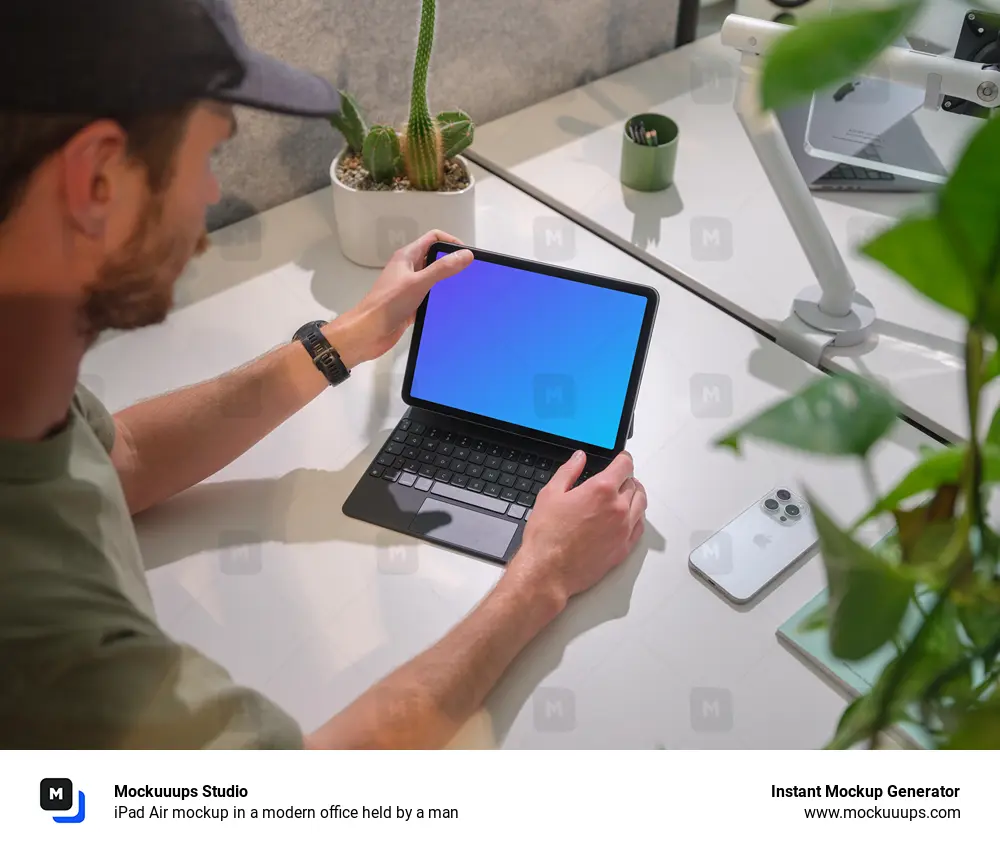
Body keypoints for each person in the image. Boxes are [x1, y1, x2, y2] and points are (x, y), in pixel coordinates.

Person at [0, 0, 647, 749]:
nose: (213, 195)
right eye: (207, 156)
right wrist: (544, 576)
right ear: (96, 182)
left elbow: (122, 459)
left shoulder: (25, 391)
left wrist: (343, 341)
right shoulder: (53, 650)